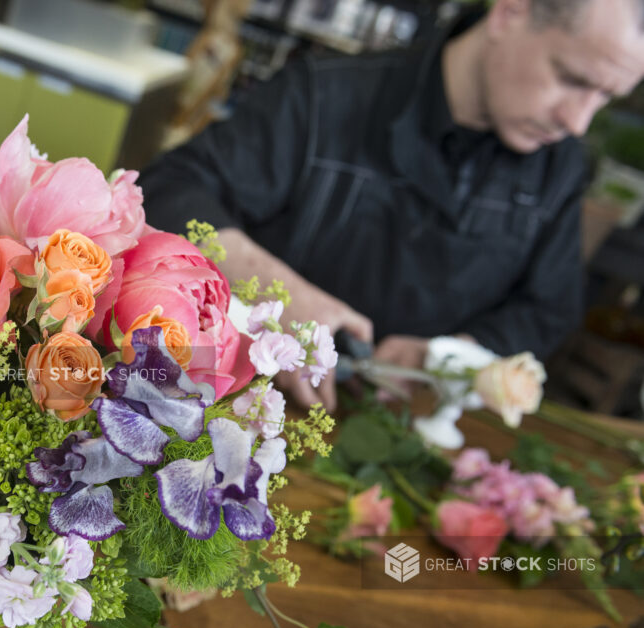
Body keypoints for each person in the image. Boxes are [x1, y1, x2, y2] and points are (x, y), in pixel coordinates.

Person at [139, 0, 644, 410]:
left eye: (606, 97)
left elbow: (548, 310)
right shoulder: (324, 96)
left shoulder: (560, 167)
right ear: (511, 12)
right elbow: (172, 189)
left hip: (397, 434)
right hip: (241, 408)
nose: (578, 121)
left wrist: (452, 355)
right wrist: (281, 296)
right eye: (572, 79)